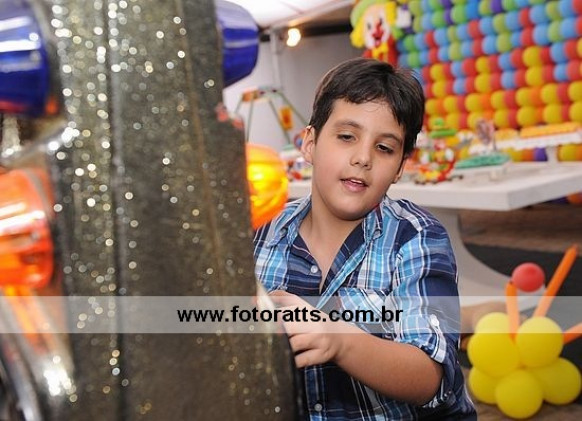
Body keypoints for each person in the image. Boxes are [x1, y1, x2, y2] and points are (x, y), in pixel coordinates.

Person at [253, 57, 476, 420]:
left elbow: (431, 378)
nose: (362, 158)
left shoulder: (416, 237)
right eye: (346, 137)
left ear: (400, 167)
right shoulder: (262, 235)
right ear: (309, 143)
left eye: (384, 148)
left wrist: (339, 339)